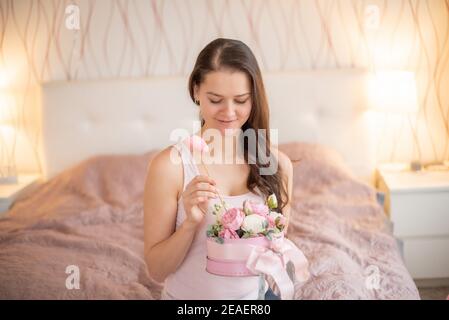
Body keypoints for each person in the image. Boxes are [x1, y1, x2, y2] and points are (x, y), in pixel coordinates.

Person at [143, 38, 293, 300]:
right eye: (216, 99)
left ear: (254, 98)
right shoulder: (170, 167)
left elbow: (274, 255)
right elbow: (156, 270)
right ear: (196, 91)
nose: (229, 112)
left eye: (241, 100)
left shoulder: (278, 167)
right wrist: (190, 224)